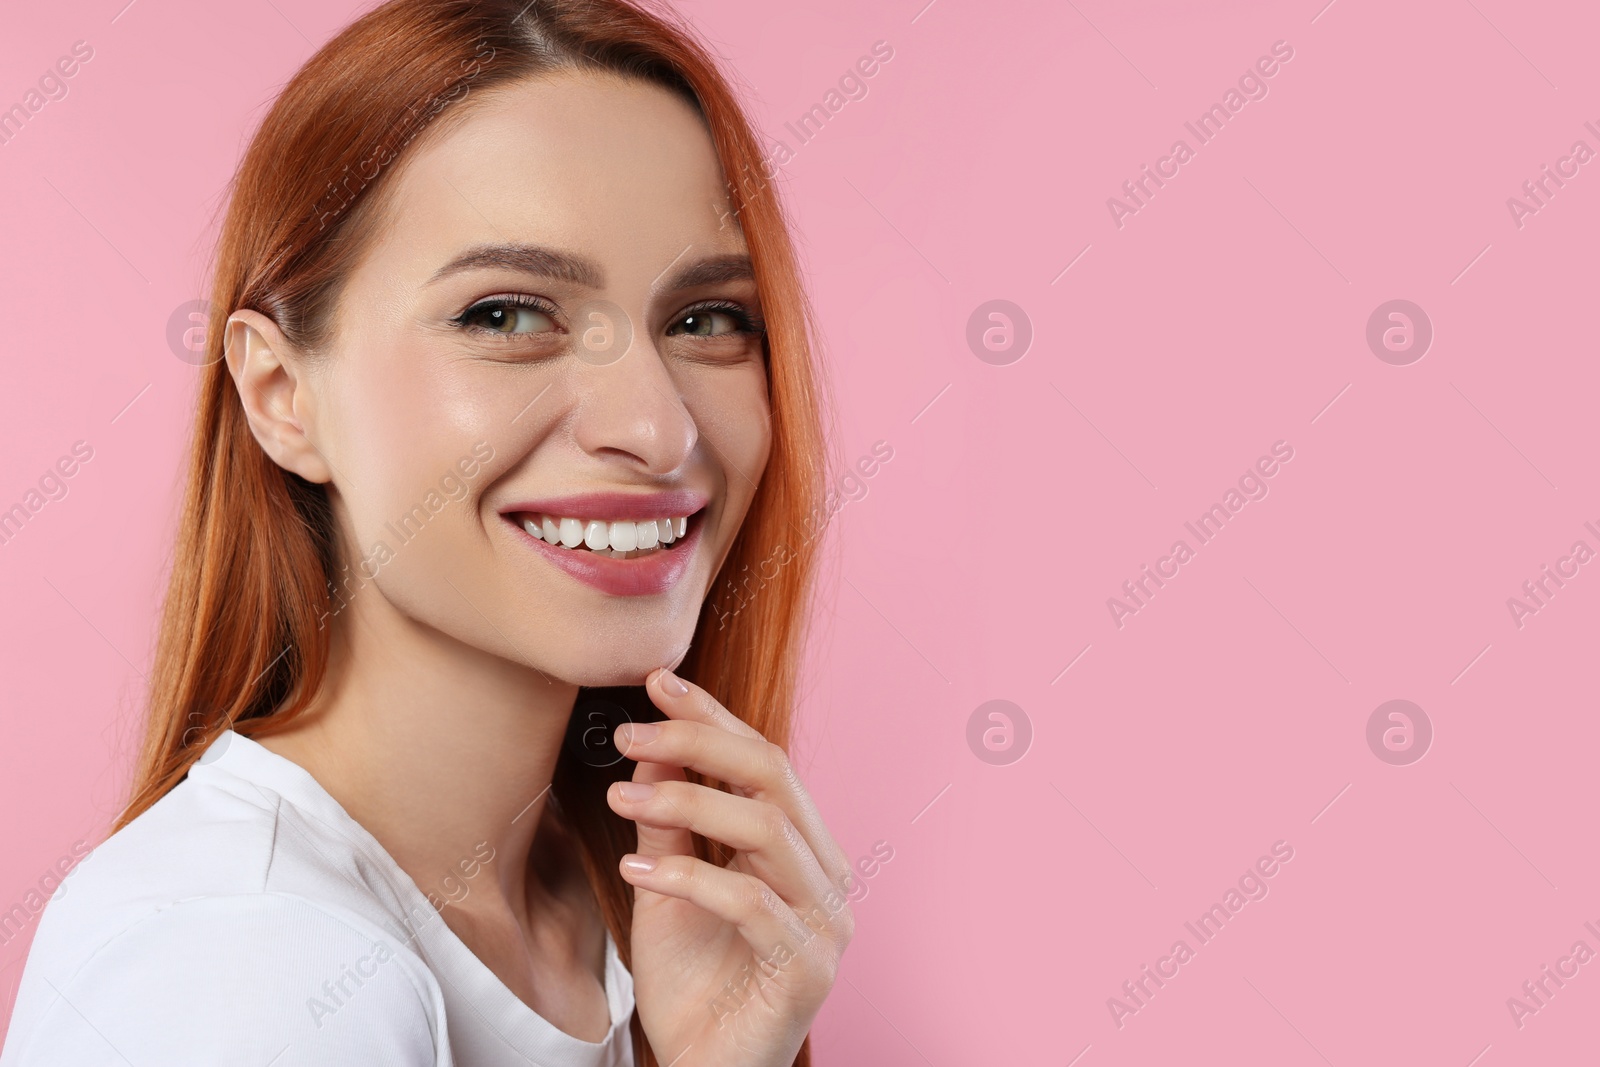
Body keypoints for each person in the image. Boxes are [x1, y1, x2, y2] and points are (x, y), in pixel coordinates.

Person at [0, 1, 851, 1064]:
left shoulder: (614, 907)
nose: (655, 426)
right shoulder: (240, 962)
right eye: (504, 314)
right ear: (280, 392)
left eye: (705, 319)